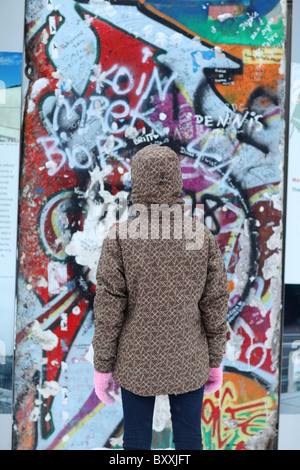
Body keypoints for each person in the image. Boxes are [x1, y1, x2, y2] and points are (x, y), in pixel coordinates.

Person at [92, 144, 229, 450]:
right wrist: (215, 361)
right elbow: (216, 302)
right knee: (190, 438)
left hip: (135, 360)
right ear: (177, 181)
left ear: (136, 180)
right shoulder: (200, 236)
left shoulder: (120, 237)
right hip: (189, 357)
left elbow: (108, 308)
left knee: (137, 440)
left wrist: (102, 367)